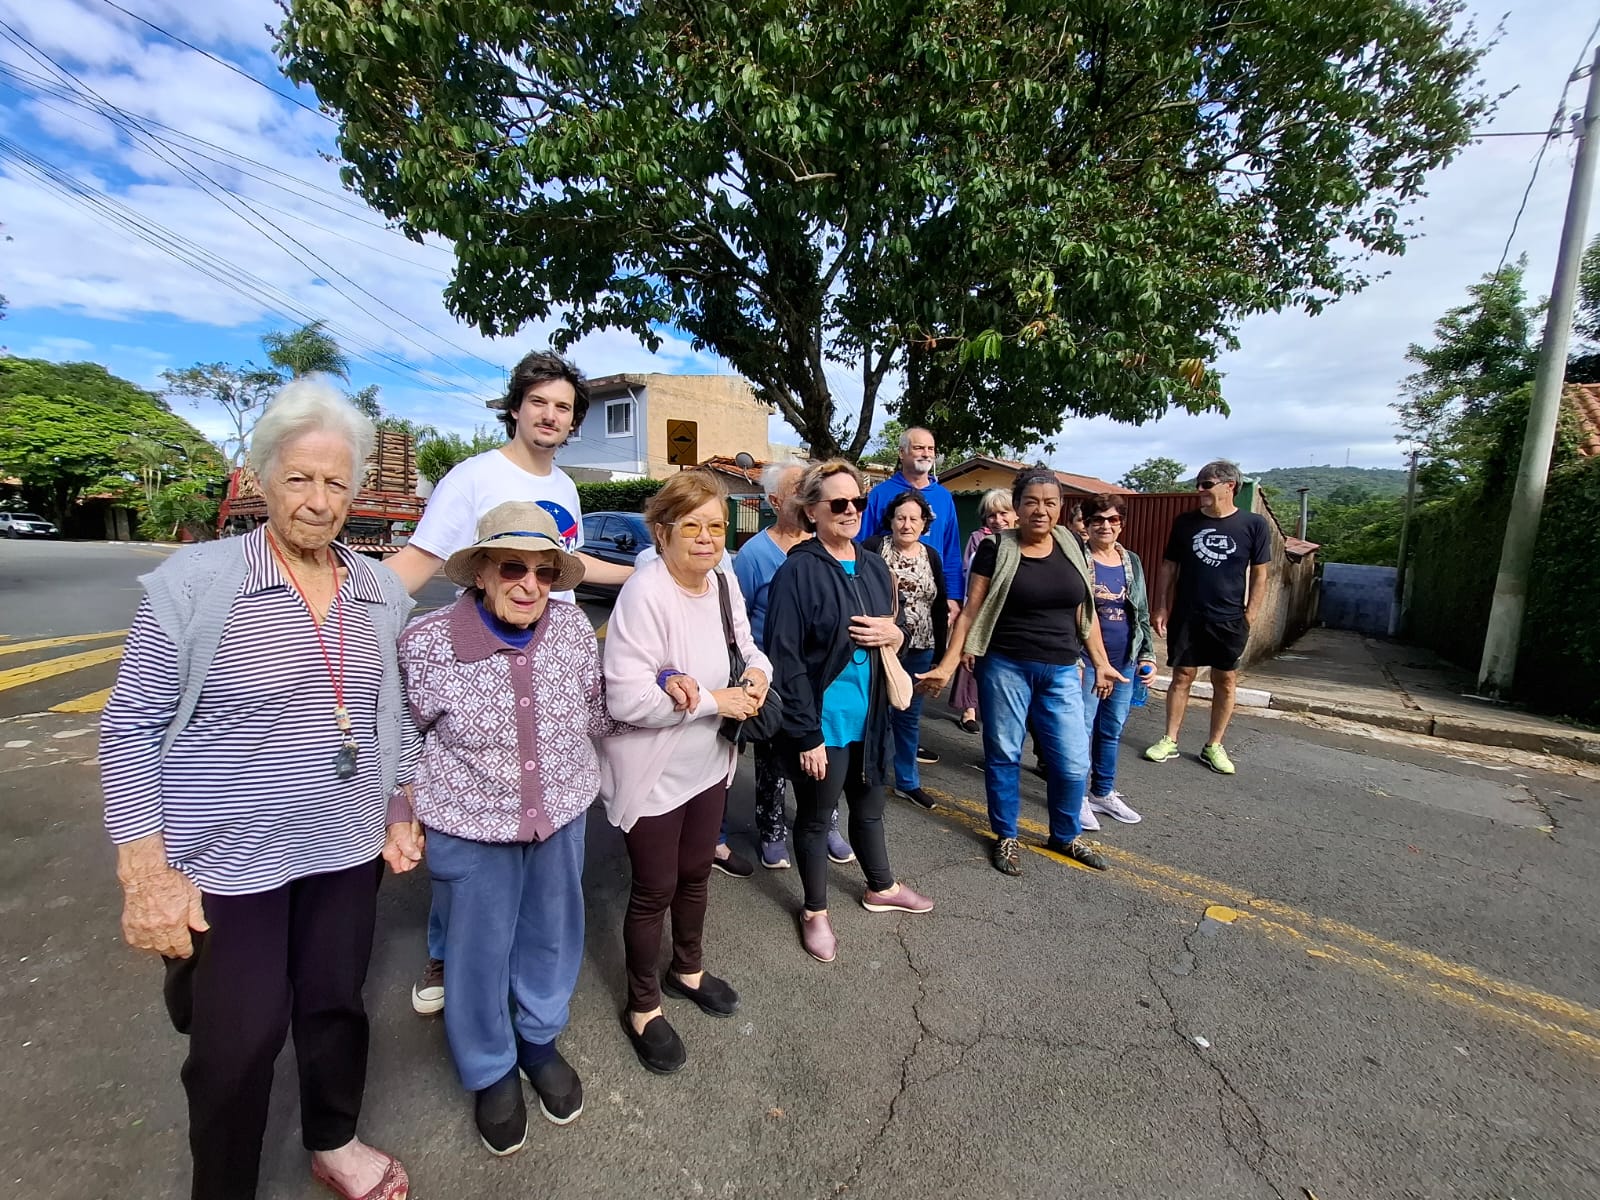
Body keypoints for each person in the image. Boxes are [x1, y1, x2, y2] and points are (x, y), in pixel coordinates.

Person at [100, 380, 415, 1200]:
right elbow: (129, 727)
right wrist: (147, 872)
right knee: (235, 1044)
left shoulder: (379, 592)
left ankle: (335, 1139)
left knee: (334, 1006)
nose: (318, 501)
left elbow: (396, 714)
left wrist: (400, 804)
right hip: (226, 861)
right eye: (300, 479)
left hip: (344, 848)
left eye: (336, 482)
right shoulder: (197, 584)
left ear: (357, 490)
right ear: (264, 477)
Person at [386, 350, 632, 1019]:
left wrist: (649, 572)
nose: (551, 416)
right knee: (466, 817)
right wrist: (351, 612)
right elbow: (421, 559)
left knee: (541, 838)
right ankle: (446, 952)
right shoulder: (473, 477)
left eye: (563, 408)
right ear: (516, 407)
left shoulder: (568, 490)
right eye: (540, 403)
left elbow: (574, 564)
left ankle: (526, 986)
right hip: (481, 667)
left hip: (551, 661)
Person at [393, 502, 611, 1156]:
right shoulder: (427, 641)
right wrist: (401, 810)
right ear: (481, 573)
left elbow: (598, 711)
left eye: (546, 573)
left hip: (560, 812)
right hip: (468, 818)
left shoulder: (573, 630)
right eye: (513, 567)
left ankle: (539, 1040)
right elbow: (402, 732)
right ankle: (490, 1067)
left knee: (552, 930)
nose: (529, 585)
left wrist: (670, 690)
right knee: (477, 952)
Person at [598, 470, 771, 1074]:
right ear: (662, 532)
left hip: (708, 765)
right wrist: (710, 702)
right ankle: (643, 1005)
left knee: (696, 871)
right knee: (654, 889)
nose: (706, 539)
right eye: (691, 526)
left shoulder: (723, 580)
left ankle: (687, 970)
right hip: (653, 773)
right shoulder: (646, 593)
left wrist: (754, 677)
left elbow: (749, 646)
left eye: (717, 527)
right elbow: (624, 700)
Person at [917, 467, 1125, 878]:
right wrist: (947, 663)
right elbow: (971, 612)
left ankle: (1064, 835)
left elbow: (1085, 611)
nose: (1040, 511)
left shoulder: (1072, 546)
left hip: (1063, 670)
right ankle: (1006, 833)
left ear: (1061, 508)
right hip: (1006, 667)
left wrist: (1100, 661)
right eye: (1031, 502)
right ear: (1017, 507)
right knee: (1005, 755)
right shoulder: (996, 548)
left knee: (1071, 762)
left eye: (1050, 503)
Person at [766, 460, 934, 964]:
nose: (850, 511)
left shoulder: (873, 563)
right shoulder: (798, 570)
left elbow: (894, 624)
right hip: (824, 720)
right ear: (811, 510)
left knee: (870, 807)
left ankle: (880, 886)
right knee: (817, 818)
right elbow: (785, 658)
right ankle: (814, 910)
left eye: (857, 502)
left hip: (871, 714)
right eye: (837, 503)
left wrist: (897, 633)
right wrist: (806, 734)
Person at [732, 462, 855, 870]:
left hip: (821, 674)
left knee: (824, 751)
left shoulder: (828, 543)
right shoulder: (754, 554)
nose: (807, 493)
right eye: (797, 488)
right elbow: (738, 617)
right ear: (775, 501)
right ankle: (771, 829)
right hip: (774, 674)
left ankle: (826, 823)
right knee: (773, 757)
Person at [1144, 460, 1273, 775]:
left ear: (1230, 486)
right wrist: (1161, 606)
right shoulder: (1185, 523)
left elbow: (1260, 575)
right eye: (1198, 483)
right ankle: (1169, 739)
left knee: (1225, 680)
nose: (1199, 490)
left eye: (1206, 484)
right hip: (1188, 614)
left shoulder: (1253, 525)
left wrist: (1250, 614)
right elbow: (1168, 566)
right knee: (1182, 676)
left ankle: (1213, 745)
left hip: (1228, 618)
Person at [856, 426, 963, 768]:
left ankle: (903, 773)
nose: (925, 453)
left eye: (930, 448)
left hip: (926, 621)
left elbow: (950, 550)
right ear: (902, 453)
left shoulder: (944, 497)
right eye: (918, 447)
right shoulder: (881, 494)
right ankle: (872, 764)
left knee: (910, 705)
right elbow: (862, 546)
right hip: (885, 624)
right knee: (878, 699)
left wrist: (954, 599)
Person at [863, 490, 948, 812]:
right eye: (901, 517)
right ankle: (872, 774)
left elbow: (939, 607)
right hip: (882, 648)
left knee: (909, 717)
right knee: (878, 714)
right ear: (891, 520)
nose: (907, 524)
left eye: (914, 518)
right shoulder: (873, 549)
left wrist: (940, 656)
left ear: (924, 522)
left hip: (921, 648)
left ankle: (908, 782)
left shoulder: (932, 557)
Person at [1076, 494, 1155, 828]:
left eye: (1113, 520)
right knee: (1081, 730)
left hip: (1124, 661)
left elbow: (1141, 613)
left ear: (1122, 524)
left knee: (1111, 729)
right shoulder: (1076, 559)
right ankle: (1076, 798)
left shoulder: (1131, 561)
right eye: (1098, 520)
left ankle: (1103, 792)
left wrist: (1147, 656)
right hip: (1085, 661)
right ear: (1087, 524)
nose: (1105, 526)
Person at [949, 489, 1015, 733]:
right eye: (991, 515)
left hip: (1008, 612)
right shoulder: (979, 539)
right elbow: (968, 572)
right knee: (971, 658)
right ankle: (969, 709)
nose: (997, 520)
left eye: (1003, 513)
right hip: (979, 606)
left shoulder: (1021, 540)